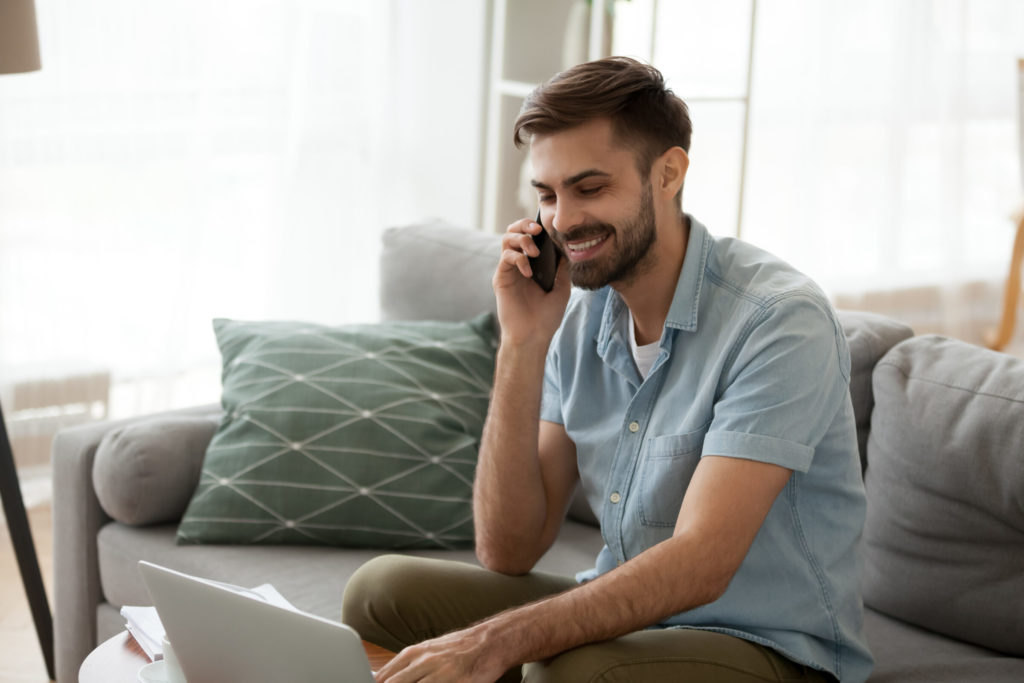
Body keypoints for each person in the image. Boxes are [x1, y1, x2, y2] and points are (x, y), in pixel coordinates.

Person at [342, 56, 873, 683]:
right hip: (635, 621)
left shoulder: (780, 321)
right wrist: (522, 341)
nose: (563, 221)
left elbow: (702, 564)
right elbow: (508, 549)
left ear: (668, 173)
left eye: (589, 188)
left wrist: (495, 642)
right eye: (547, 194)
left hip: (770, 648)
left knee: (573, 673)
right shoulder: (578, 314)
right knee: (381, 591)